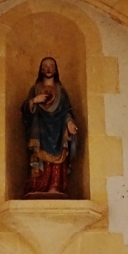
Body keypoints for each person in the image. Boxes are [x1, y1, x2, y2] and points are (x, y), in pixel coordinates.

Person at [21, 56, 78, 196]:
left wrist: (70, 122)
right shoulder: (35, 89)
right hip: (39, 130)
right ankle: (39, 186)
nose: (48, 68)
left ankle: (55, 186)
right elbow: (24, 111)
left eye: (51, 65)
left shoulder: (61, 91)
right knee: (39, 155)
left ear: (56, 69)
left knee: (59, 155)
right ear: (41, 69)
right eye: (45, 66)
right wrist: (34, 100)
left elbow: (67, 111)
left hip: (58, 130)